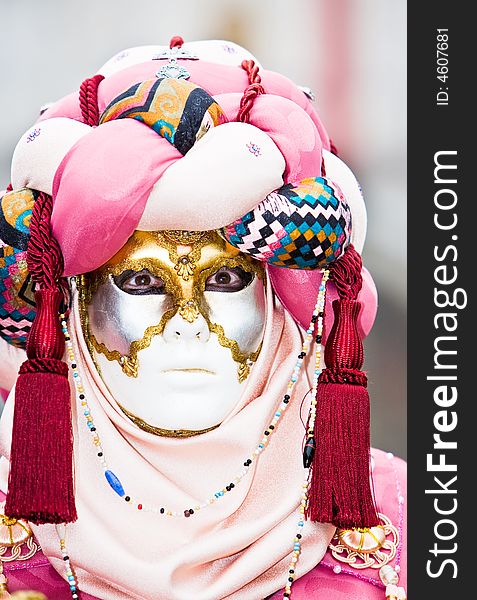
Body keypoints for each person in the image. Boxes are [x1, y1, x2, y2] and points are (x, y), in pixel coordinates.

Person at [0, 38, 406, 599]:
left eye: (226, 280)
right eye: (141, 281)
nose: (188, 322)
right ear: (67, 303)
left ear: (281, 306)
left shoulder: (407, 524)